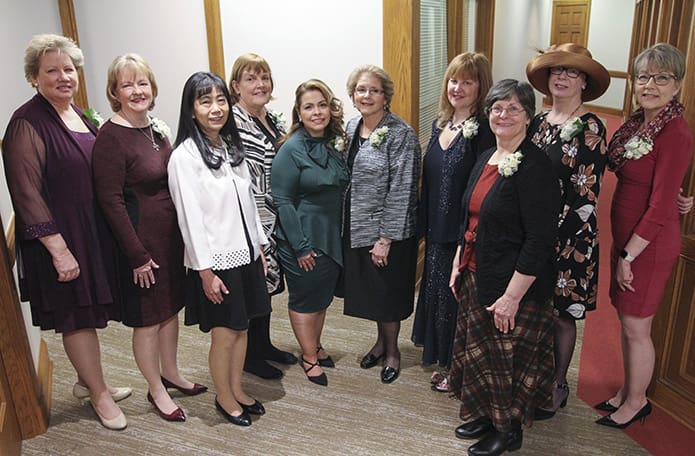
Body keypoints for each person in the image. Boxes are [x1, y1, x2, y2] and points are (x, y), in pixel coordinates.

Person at [2, 34, 128, 430]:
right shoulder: (26, 123)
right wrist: (59, 250)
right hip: (59, 239)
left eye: (69, 69)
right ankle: (100, 394)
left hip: (87, 232)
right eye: (52, 70)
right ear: (33, 77)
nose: (63, 76)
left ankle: (86, 380)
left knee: (88, 313)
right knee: (77, 317)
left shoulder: (77, 113)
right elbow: (26, 193)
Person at [92, 54, 207, 423]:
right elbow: (110, 202)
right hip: (142, 246)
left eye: (142, 83)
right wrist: (137, 255)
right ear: (115, 92)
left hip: (169, 240)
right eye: (127, 84)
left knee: (169, 310)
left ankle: (170, 372)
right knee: (147, 321)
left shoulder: (154, 130)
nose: (137, 90)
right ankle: (155, 388)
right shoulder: (111, 137)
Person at [448, 80, 560, 456]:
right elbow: (470, 216)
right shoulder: (486, 157)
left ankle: (508, 430)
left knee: (506, 361)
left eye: (513, 108)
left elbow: (539, 241)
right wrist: (457, 264)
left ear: (529, 115)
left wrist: (512, 298)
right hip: (478, 272)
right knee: (480, 353)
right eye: (497, 108)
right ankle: (483, 413)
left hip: (515, 286)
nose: (503, 115)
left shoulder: (536, 167)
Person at [595, 43, 693, 429]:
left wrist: (629, 257)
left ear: (678, 84)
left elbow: (660, 205)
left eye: (661, 77)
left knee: (638, 328)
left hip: (647, 247)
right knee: (627, 321)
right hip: (627, 241)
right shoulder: (638, 122)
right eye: (643, 76)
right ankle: (625, 390)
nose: (650, 84)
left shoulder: (675, 132)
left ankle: (637, 401)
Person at [168, 72, 269, 426]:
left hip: (244, 253)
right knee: (225, 333)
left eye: (221, 99)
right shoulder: (185, 156)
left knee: (242, 328)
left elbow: (250, 204)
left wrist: (259, 248)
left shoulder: (229, 147)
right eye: (205, 101)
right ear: (191, 109)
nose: (216, 108)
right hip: (217, 261)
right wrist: (205, 271)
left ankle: (237, 388)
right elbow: (190, 220)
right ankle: (224, 398)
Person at [524, 43, 610, 418]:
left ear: (584, 82)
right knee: (535, 307)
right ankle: (533, 375)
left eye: (571, 72)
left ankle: (557, 382)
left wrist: (550, 235)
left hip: (571, 238)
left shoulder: (591, 127)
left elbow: (587, 193)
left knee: (562, 313)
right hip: (536, 234)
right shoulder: (539, 123)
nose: (561, 77)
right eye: (556, 71)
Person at [411, 52, 495, 393]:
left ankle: (457, 366)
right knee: (436, 293)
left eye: (467, 82)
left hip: (463, 232)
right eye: (453, 80)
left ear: (481, 87)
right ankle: (443, 358)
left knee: (456, 299)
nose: (457, 88)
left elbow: (484, 187)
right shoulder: (439, 124)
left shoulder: (485, 130)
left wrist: (469, 235)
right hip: (435, 228)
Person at [342, 65, 421, 384]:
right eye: (361, 89)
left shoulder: (401, 133)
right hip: (358, 227)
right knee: (374, 294)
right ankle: (379, 343)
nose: (367, 95)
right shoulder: (350, 127)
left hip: (389, 233)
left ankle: (392, 353)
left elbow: (402, 189)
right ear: (353, 94)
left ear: (386, 96)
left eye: (374, 90)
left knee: (388, 296)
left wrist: (385, 239)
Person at [270, 79, 349, 386]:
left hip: (329, 234)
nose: (317, 112)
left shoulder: (332, 142)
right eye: (309, 107)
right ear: (298, 113)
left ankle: (314, 344)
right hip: (300, 237)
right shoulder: (290, 149)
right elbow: (284, 202)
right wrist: (301, 247)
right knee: (305, 299)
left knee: (322, 297)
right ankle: (308, 356)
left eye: (321, 104)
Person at [229, 53, 297, 380]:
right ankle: (250, 356)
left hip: (275, 216)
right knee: (255, 284)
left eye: (264, 77)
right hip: (250, 218)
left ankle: (264, 344)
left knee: (268, 284)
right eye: (251, 79)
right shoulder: (231, 122)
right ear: (236, 86)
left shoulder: (273, 119)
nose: (260, 84)